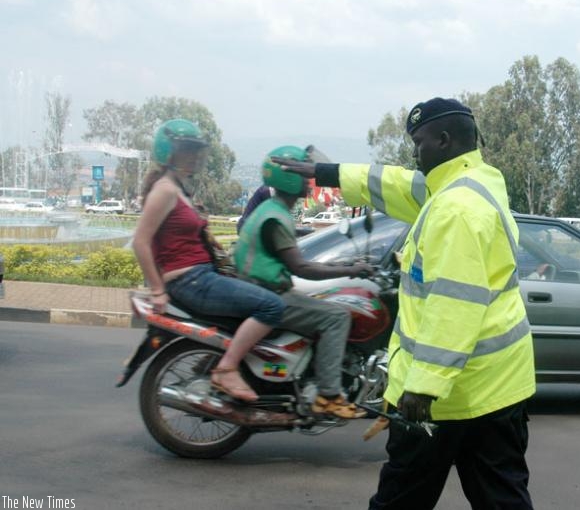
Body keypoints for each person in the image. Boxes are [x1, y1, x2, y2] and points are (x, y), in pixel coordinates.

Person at [273, 97, 536, 509]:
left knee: (401, 499)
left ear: (444, 141)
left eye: (420, 143)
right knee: (502, 497)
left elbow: (454, 306)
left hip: (447, 397)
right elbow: (393, 183)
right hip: (495, 388)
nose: (415, 154)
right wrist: (326, 173)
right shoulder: (474, 182)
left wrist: (423, 387)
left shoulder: (455, 210)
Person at [132, 118, 286, 403]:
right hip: (190, 280)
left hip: (200, 275)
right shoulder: (165, 190)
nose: (193, 157)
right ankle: (226, 369)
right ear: (169, 152)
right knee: (271, 306)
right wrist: (157, 290)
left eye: (195, 151)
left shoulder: (179, 189)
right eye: (186, 150)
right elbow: (140, 241)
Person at [234, 145, 372, 419]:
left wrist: (344, 266)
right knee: (336, 317)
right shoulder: (276, 216)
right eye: (303, 174)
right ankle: (329, 395)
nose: (309, 180)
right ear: (289, 178)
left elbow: (300, 262)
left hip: (259, 290)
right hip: (268, 295)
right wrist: (351, 270)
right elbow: (302, 268)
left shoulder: (271, 209)